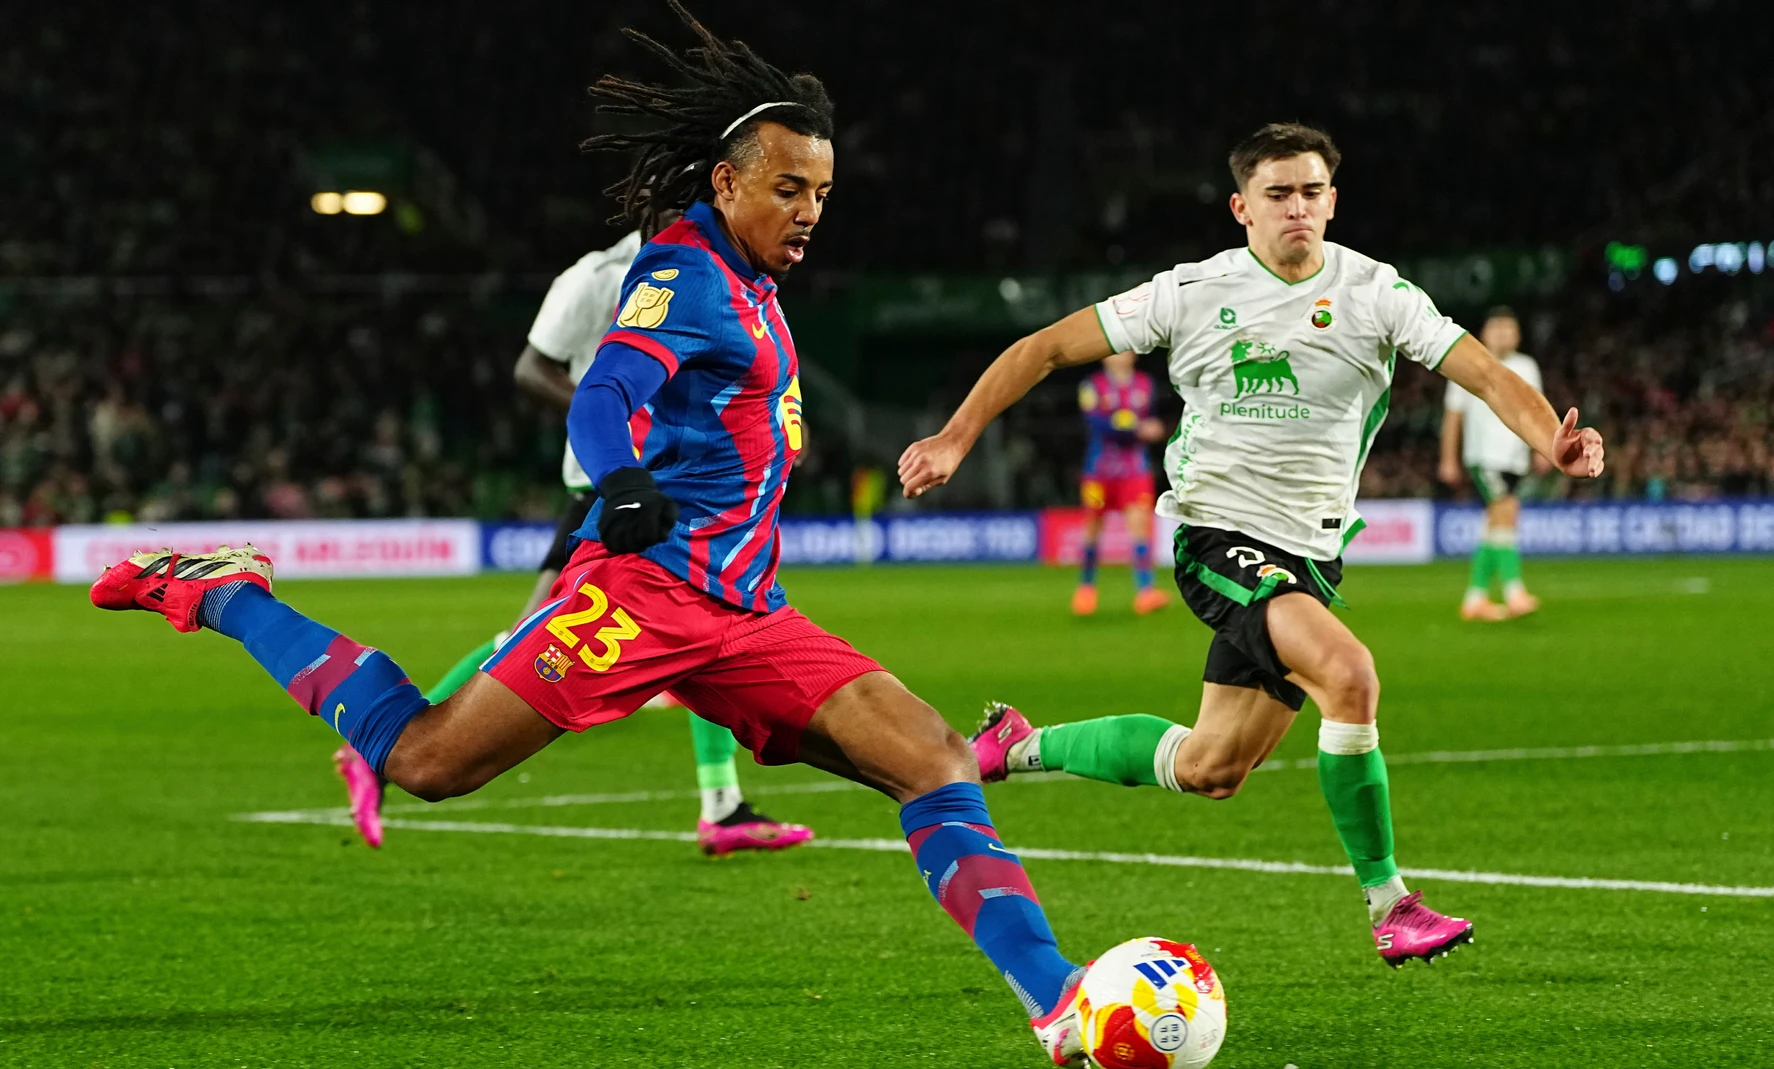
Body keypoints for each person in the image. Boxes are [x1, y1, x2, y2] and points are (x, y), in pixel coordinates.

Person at [92, 6, 1104, 1062]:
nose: (808, 213)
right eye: (787, 188)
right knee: (429, 760)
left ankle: (1058, 1001)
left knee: (934, 758)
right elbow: (606, 385)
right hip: (645, 598)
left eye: (821, 194)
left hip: (746, 611)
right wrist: (620, 475)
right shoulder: (684, 275)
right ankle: (221, 590)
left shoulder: (754, 281)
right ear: (726, 183)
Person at [900, 122, 1604, 969]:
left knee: (1210, 765)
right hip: (1217, 535)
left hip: (1308, 556)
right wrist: (953, 438)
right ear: (1242, 207)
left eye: (1312, 191)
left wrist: (1546, 440)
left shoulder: (1379, 293)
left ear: (1333, 200)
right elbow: (1044, 347)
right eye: (1278, 194)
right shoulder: (1191, 292)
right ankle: (1392, 904)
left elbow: (1485, 375)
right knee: (1350, 674)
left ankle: (1016, 742)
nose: (1297, 207)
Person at [330, 217, 813, 858]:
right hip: (609, 488)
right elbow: (532, 369)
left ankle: (722, 806)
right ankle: (387, 743)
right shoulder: (594, 279)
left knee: (705, 617)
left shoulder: (728, 279)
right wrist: (616, 429)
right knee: (546, 636)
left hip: (680, 485)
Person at [1438, 307, 1547, 620]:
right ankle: (1514, 592)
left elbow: (1536, 409)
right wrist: (1448, 458)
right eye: (1496, 327)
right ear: (1485, 333)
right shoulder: (1468, 363)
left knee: (1494, 526)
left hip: (1515, 457)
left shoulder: (1527, 366)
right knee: (1506, 513)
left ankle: (1475, 598)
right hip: (1484, 456)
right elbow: (1453, 415)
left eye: (1508, 328)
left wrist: (1542, 448)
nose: (1502, 334)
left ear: (1518, 334)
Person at [1071, 350, 1170, 616]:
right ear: (1104, 356)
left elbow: (1147, 419)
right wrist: (1136, 427)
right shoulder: (1092, 386)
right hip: (1098, 470)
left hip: (1134, 470)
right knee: (1093, 526)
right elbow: (1096, 422)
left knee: (1139, 525)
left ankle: (1146, 591)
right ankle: (1086, 589)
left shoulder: (1145, 384)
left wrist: (1149, 427)